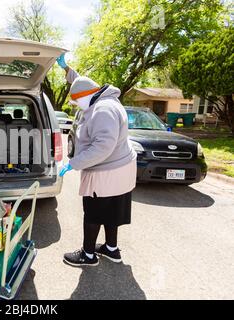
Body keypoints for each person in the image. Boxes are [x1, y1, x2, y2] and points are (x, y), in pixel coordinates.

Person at [56, 54, 137, 266]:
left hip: (106, 173)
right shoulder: (100, 97)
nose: (76, 106)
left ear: (84, 97)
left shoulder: (102, 110)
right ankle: (111, 249)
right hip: (121, 170)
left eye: (76, 102)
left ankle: (88, 255)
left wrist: (73, 164)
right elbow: (81, 83)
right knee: (111, 212)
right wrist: (67, 69)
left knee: (92, 213)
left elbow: (103, 146)